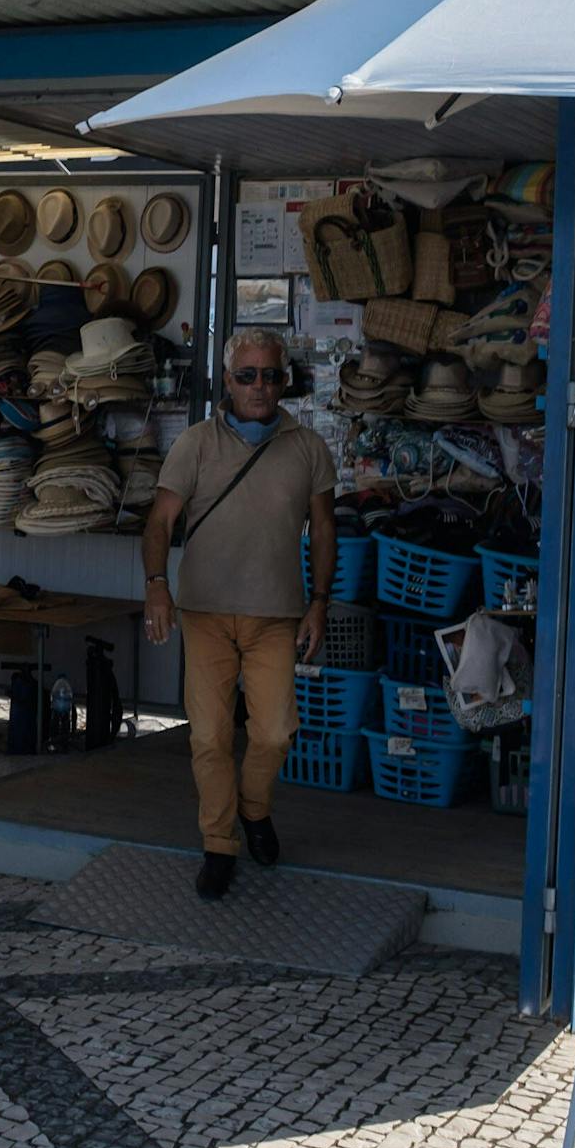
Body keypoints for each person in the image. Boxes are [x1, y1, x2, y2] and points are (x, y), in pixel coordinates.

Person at [141, 327, 337, 901]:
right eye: (247, 375)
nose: (259, 386)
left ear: (284, 380)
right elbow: (160, 521)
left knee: (274, 733)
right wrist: (157, 586)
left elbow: (325, 529)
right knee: (208, 737)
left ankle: (253, 807)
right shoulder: (196, 443)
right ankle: (219, 843)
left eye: (270, 375)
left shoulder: (308, 447)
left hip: (275, 616)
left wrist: (320, 603)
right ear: (227, 380)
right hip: (204, 615)